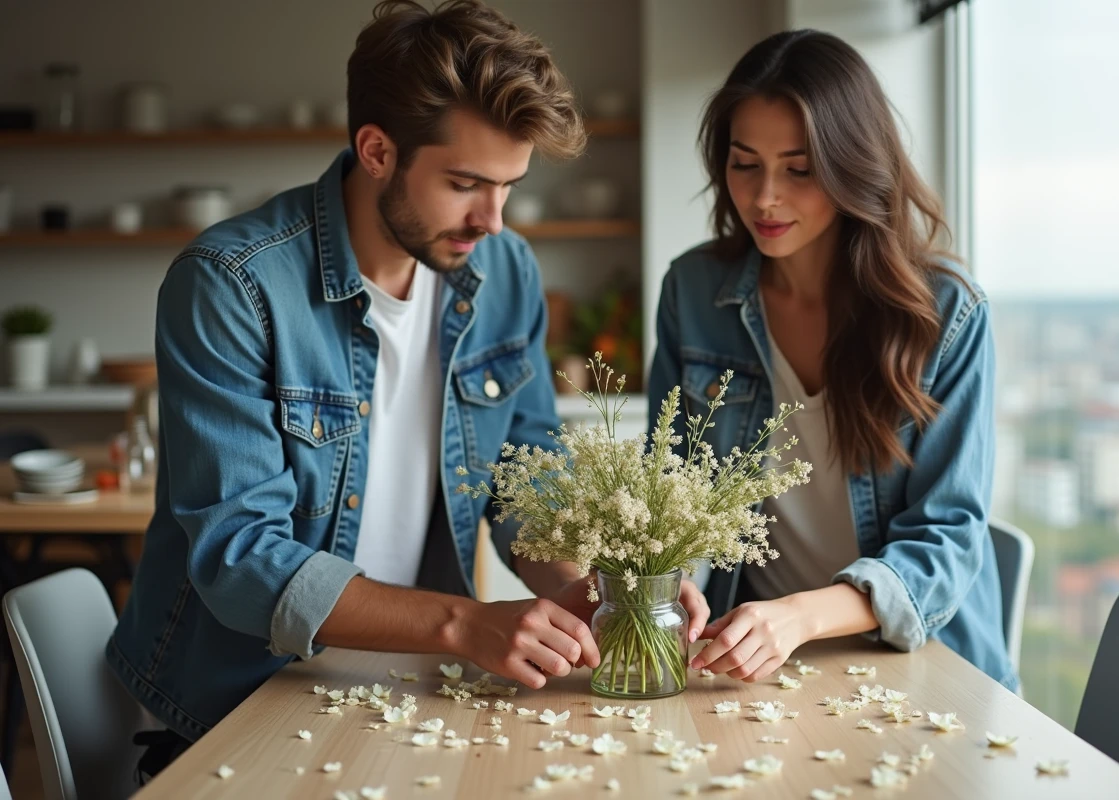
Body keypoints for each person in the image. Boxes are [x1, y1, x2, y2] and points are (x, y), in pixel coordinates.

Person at [107, 0, 709, 779]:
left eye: (509, 186)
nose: (493, 220)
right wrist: (466, 624)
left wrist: (585, 590)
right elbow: (240, 557)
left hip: (411, 690)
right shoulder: (232, 286)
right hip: (235, 709)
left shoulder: (504, 273)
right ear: (378, 149)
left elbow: (526, 478)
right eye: (465, 183)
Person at [649, 29, 1017, 691]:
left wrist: (797, 618)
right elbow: (672, 492)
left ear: (854, 164)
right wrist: (668, 582)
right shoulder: (692, 293)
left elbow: (948, 539)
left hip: (923, 666)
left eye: (799, 168)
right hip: (753, 671)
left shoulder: (944, 314)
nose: (764, 198)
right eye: (744, 163)